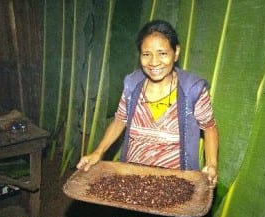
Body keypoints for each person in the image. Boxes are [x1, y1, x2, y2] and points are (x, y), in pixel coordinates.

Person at [77, 20, 218, 186]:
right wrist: (98, 152)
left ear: (176, 52)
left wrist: (211, 165)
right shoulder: (132, 84)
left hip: (175, 183)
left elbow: (209, 128)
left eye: (162, 53)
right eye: (146, 54)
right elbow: (120, 120)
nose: (154, 62)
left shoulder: (192, 90)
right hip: (132, 178)